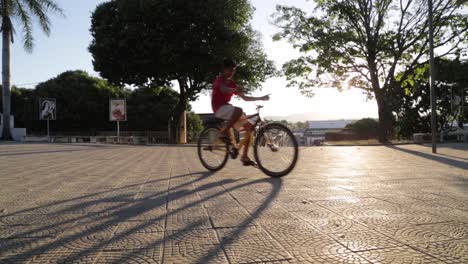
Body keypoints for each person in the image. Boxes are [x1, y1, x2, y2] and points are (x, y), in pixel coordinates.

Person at [212, 58, 269, 166]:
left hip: (228, 109)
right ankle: (223, 132)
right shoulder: (219, 80)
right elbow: (224, 89)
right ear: (224, 69)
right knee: (239, 110)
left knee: (249, 128)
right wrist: (234, 90)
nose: (231, 73)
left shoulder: (232, 83)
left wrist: (261, 97)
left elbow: (246, 98)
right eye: (229, 70)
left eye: (233, 70)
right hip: (218, 108)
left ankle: (244, 157)